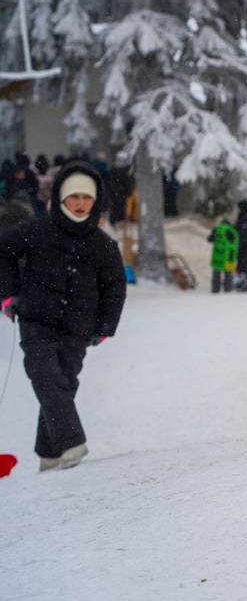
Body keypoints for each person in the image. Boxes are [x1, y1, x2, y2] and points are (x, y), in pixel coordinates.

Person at [0, 161, 126, 471]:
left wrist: (105, 326)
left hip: (78, 329)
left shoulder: (104, 246)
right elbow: (2, 251)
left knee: (62, 384)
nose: (81, 204)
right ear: (60, 198)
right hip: (35, 321)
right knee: (45, 374)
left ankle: (49, 455)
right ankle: (71, 442)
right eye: (74, 197)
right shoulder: (37, 231)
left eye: (87, 198)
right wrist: (8, 293)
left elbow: (114, 288)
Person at [207, 218, 239, 294]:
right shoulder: (232, 231)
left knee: (216, 274)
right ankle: (227, 291)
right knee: (228, 274)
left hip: (218, 256)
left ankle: (215, 290)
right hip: (230, 256)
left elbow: (209, 239)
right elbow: (235, 242)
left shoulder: (217, 229)